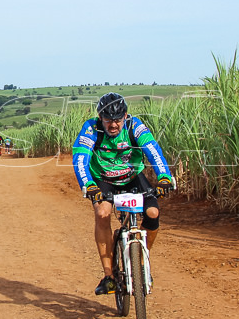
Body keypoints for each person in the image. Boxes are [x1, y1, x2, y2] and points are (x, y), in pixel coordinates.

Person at [72, 92, 175, 296]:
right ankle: (109, 276)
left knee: (153, 213)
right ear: (100, 117)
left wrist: (164, 177)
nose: (113, 125)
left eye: (117, 120)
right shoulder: (91, 128)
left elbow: (153, 150)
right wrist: (89, 185)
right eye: (108, 120)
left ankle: (141, 260)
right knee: (102, 213)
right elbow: (80, 159)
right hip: (103, 179)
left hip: (132, 177)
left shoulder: (135, 126)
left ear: (125, 116)